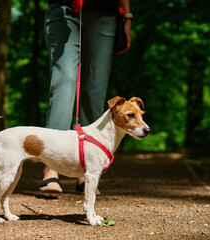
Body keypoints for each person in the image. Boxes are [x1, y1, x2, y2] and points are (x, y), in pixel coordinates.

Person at [40, 0, 132, 193]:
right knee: (64, 82)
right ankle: (51, 167)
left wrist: (127, 16)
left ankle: (87, 169)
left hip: (105, 13)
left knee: (95, 90)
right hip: (65, 10)